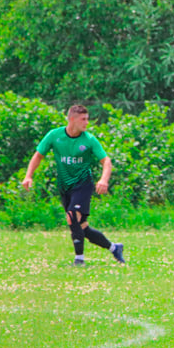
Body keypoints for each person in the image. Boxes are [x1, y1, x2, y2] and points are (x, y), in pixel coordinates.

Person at [22, 105, 124, 266]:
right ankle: (114, 248)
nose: (87, 123)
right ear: (72, 119)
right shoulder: (54, 135)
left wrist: (103, 180)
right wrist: (28, 176)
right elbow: (38, 156)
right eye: (83, 119)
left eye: (87, 119)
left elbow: (106, 161)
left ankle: (79, 260)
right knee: (81, 227)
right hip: (65, 186)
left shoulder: (89, 140)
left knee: (72, 216)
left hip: (83, 184)